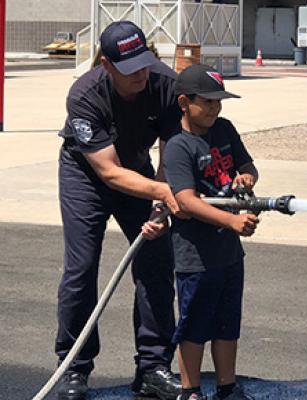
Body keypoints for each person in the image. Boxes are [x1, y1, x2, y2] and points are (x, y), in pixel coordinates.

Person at [55, 20, 183, 400]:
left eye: (143, 62)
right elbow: (109, 172)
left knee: (157, 262)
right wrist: (162, 191)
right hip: (86, 175)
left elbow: (171, 150)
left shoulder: (164, 84)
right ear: (107, 66)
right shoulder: (84, 95)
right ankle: (73, 369)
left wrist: (161, 203)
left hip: (142, 172)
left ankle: (153, 367)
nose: (140, 74)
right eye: (129, 69)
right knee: (81, 268)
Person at [162, 64, 260, 400]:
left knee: (227, 324)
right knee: (194, 326)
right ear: (184, 103)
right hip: (196, 255)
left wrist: (246, 178)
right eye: (207, 102)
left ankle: (227, 387)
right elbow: (186, 202)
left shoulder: (225, 130)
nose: (215, 108)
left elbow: (247, 166)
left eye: (219, 101)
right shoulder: (178, 146)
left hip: (229, 253)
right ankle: (190, 391)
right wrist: (232, 221)